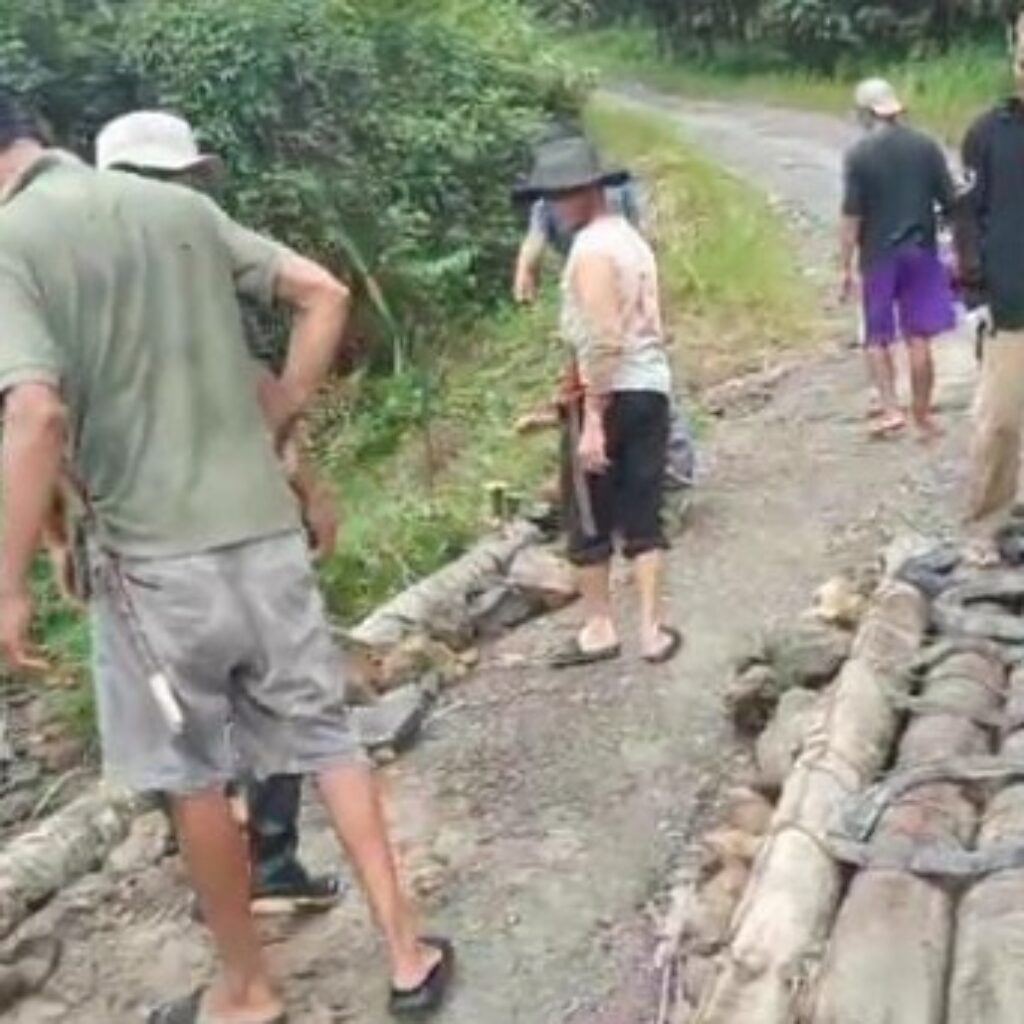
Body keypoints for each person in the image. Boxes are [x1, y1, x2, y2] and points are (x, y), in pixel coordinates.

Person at [0, 92, 452, 1023]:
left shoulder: (12, 243)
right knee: (328, 738)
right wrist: (282, 413)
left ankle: (248, 989)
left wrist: (6, 581)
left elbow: (36, 414)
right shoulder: (179, 209)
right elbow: (323, 293)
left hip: (155, 565)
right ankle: (407, 954)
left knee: (194, 775)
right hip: (262, 538)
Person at [93, 110, 342, 917]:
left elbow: (49, 424)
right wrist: (304, 477)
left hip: (146, 554)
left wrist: (64, 540)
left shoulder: (80, 304)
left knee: (187, 739)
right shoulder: (197, 273)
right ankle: (265, 858)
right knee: (268, 705)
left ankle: (238, 884)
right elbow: (265, 385)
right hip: (231, 538)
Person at [516, 134, 683, 668]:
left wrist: (591, 419)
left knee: (587, 515)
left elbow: (603, 338)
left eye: (561, 196)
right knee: (644, 508)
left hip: (608, 391)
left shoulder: (589, 251)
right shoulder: (631, 241)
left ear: (587, 192)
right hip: (651, 386)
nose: (555, 207)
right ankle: (654, 629)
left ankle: (600, 627)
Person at [840, 78, 957, 442]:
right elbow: (951, 202)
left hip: (878, 256)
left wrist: (845, 265)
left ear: (865, 113)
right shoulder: (926, 146)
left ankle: (892, 409)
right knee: (919, 337)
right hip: (922, 252)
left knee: (877, 337)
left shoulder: (859, 155)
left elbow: (851, 216)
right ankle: (922, 413)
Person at [958, 26, 1024, 563]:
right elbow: (966, 217)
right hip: (1012, 305)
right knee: (1000, 421)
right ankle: (986, 523)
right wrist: (976, 290)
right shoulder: (987, 133)